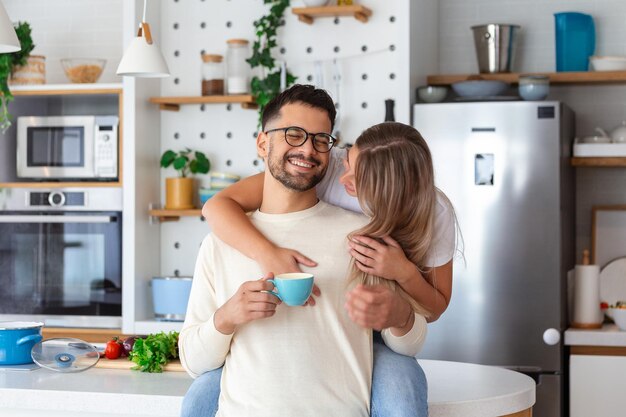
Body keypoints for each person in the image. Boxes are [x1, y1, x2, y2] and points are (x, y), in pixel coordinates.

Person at [179, 84, 428, 417]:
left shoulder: (361, 236)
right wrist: (227, 317)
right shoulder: (220, 243)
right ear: (263, 142)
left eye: (321, 139)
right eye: (294, 134)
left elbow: (409, 345)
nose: (308, 150)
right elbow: (194, 362)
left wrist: (400, 316)